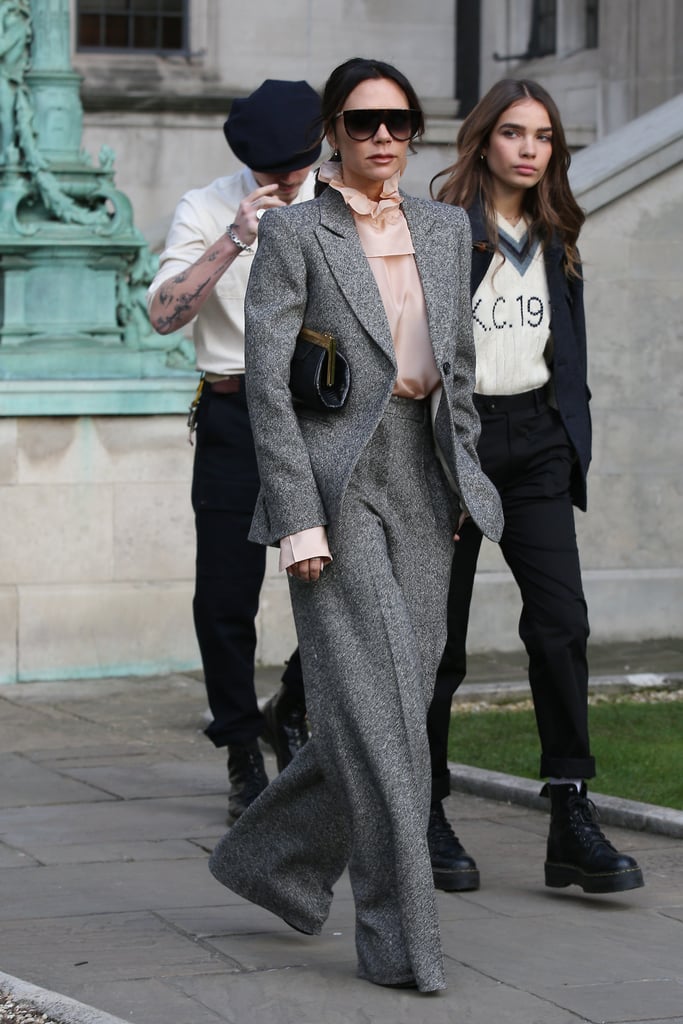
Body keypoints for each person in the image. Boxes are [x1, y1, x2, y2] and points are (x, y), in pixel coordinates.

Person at [208, 57, 503, 993]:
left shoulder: (448, 229)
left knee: (392, 709)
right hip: (335, 486)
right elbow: (267, 386)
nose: (384, 137)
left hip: (425, 480)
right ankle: (401, 938)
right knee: (380, 726)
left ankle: (268, 859)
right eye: (364, 121)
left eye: (400, 122)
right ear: (333, 131)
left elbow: (453, 368)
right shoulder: (295, 233)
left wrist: (459, 483)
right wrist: (297, 520)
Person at [426, 78, 644, 896]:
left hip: (537, 445)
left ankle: (570, 812)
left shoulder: (558, 232)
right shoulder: (443, 232)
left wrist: (566, 432)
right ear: (483, 140)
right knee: (438, 643)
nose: (528, 147)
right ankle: (426, 808)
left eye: (543, 135)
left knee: (562, 625)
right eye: (513, 132)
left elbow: (568, 345)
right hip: (456, 445)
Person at [147, 80, 321, 822]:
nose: (284, 178)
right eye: (270, 167)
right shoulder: (208, 205)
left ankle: (296, 703)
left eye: (297, 164)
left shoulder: (342, 199)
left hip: (321, 413)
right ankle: (241, 748)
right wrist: (234, 238)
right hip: (234, 410)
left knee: (344, 580)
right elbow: (160, 315)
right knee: (225, 593)